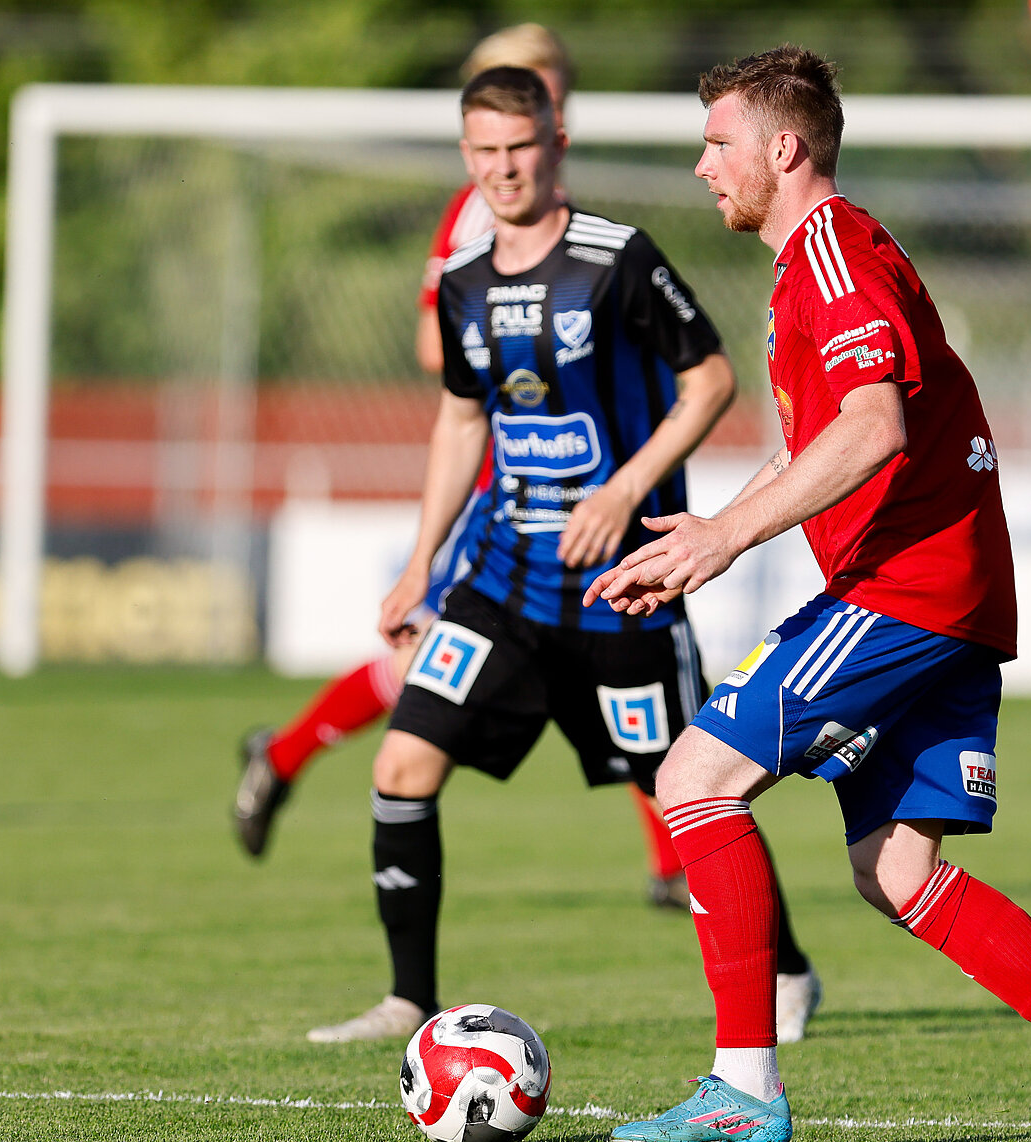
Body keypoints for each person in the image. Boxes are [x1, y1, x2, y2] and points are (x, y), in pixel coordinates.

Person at [586, 47, 1031, 1142]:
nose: (700, 165)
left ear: (785, 147)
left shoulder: (829, 250)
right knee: (897, 868)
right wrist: (712, 529)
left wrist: (727, 535)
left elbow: (874, 428)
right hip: (945, 592)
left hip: (907, 589)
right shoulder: (816, 263)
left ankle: (743, 1088)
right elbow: (827, 442)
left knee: (694, 779)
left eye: (719, 143)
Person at [307, 65, 787, 1045]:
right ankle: (409, 996)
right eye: (482, 152)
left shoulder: (616, 258)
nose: (501, 170)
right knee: (403, 762)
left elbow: (712, 381)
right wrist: (417, 566)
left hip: (624, 589)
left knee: (689, 782)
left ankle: (784, 969)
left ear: (554, 145)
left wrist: (621, 492)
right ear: (465, 156)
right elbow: (457, 422)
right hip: (503, 581)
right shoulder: (460, 283)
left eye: (518, 149)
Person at [235, 25, 714, 918]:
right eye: (528, 88)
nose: (542, 108)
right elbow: (441, 347)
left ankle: (679, 864)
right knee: (437, 657)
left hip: (577, 485)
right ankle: (289, 756)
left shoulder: (586, 226)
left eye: (554, 89)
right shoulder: (475, 221)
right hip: (510, 488)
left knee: (597, 680)